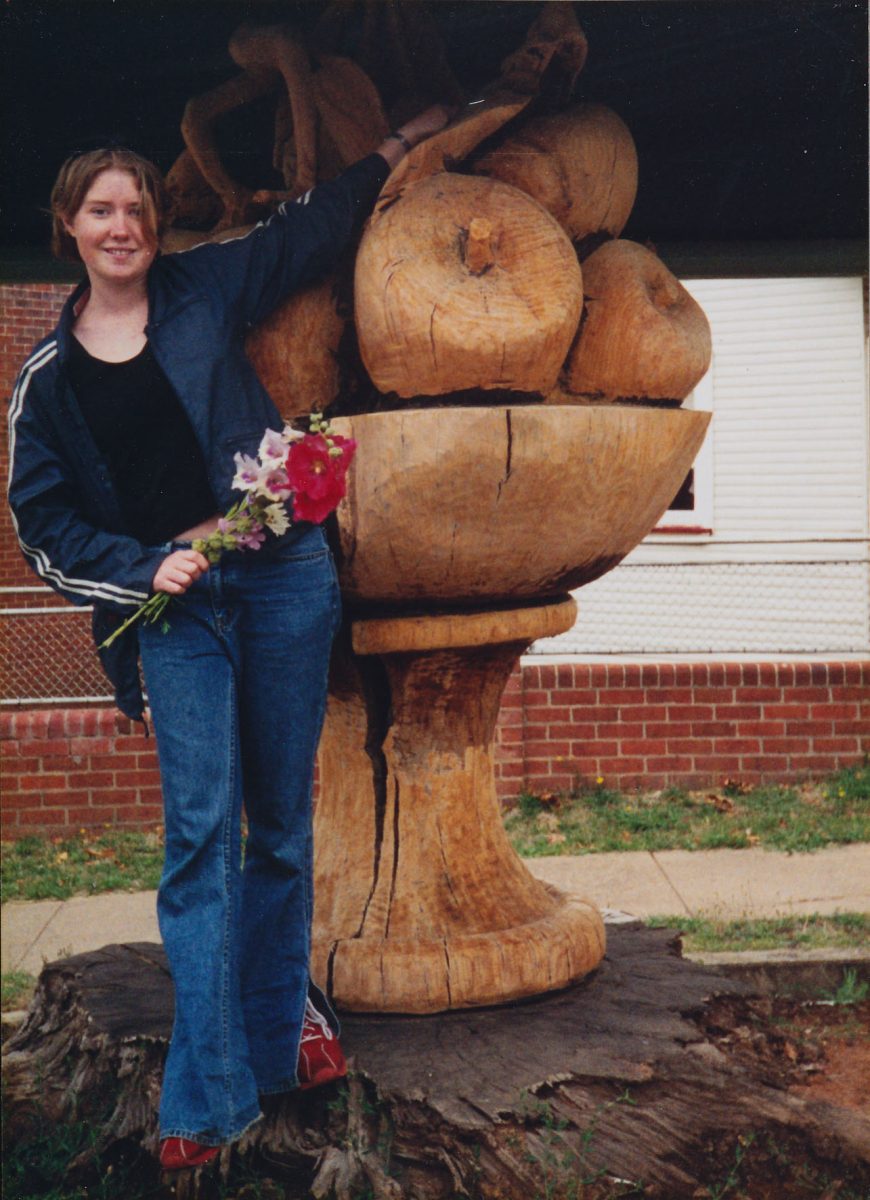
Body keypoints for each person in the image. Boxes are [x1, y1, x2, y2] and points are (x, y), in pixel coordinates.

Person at [7, 104, 450, 1170]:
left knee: (281, 827)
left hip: (284, 575)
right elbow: (41, 525)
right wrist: (135, 566)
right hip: (176, 612)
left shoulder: (205, 287)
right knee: (202, 839)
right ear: (69, 223)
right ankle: (203, 1104)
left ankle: (277, 1035)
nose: (124, 226)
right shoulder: (48, 379)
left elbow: (306, 230)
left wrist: (390, 153)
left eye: (138, 209)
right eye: (102, 210)